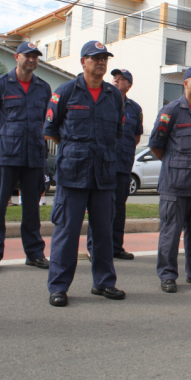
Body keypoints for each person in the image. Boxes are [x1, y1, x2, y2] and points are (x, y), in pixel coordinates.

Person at [44, 41, 126, 307]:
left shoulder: (113, 96)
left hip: (103, 172)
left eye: (104, 58)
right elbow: (51, 129)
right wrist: (74, 149)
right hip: (73, 172)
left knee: (103, 231)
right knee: (67, 232)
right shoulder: (66, 91)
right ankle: (58, 287)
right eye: (95, 58)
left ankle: (104, 283)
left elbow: (116, 133)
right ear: (83, 62)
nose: (101, 62)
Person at [0, 43, 52, 274]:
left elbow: (46, 122)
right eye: (27, 56)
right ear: (17, 57)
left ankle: (34, 254)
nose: (31, 60)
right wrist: (6, 140)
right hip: (5, 156)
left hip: (34, 156)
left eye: (35, 56)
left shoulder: (43, 87)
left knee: (32, 208)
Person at [149, 66, 191, 293]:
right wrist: (175, 165)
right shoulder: (170, 111)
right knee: (171, 231)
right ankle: (168, 274)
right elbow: (156, 146)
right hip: (175, 184)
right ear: (185, 83)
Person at [86, 69, 143, 261]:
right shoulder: (104, 100)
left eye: (121, 80)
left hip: (123, 164)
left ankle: (116, 247)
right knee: (99, 208)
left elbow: (136, 136)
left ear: (129, 85)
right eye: (115, 78)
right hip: (102, 163)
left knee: (119, 207)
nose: (116, 81)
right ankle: (95, 249)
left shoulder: (135, 108)